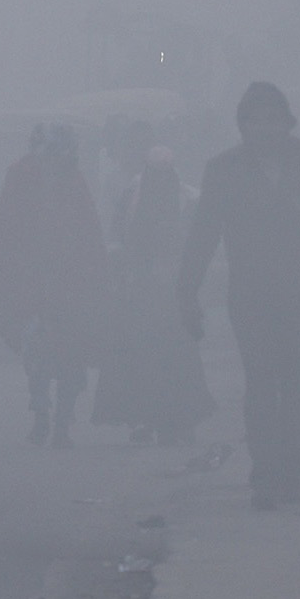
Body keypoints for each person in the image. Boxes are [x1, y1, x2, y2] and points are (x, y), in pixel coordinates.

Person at [179, 82, 300, 508]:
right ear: (242, 126)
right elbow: (204, 233)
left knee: (295, 381)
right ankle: (265, 469)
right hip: (250, 294)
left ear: (288, 122)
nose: (267, 129)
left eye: (275, 119)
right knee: (259, 380)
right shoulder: (224, 170)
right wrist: (187, 290)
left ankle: (289, 466)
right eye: (257, 120)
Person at [0, 124, 110, 447]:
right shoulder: (21, 177)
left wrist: (93, 275)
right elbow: (4, 230)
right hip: (32, 283)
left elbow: (89, 230)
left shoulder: (73, 180)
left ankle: (61, 422)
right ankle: (43, 413)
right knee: (38, 352)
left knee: (71, 353)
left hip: (71, 283)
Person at [95, 148, 213, 444]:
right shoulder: (131, 197)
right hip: (140, 292)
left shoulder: (189, 200)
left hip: (174, 293)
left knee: (175, 358)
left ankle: (179, 420)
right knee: (143, 357)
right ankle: (147, 417)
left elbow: (198, 244)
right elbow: (116, 239)